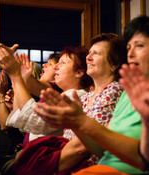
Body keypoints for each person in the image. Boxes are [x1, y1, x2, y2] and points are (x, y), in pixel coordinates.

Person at [34, 16, 149, 174]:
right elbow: (101, 150)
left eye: (140, 46)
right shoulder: (127, 93)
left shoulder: (116, 90)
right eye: (129, 48)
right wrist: (76, 122)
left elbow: (142, 159)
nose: (130, 54)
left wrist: (81, 121)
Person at [7, 33, 127, 175]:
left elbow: (83, 148)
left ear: (114, 64)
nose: (89, 57)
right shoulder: (87, 96)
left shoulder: (114, 91)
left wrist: (16, 76)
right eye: (89, 53)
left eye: (96, 53)